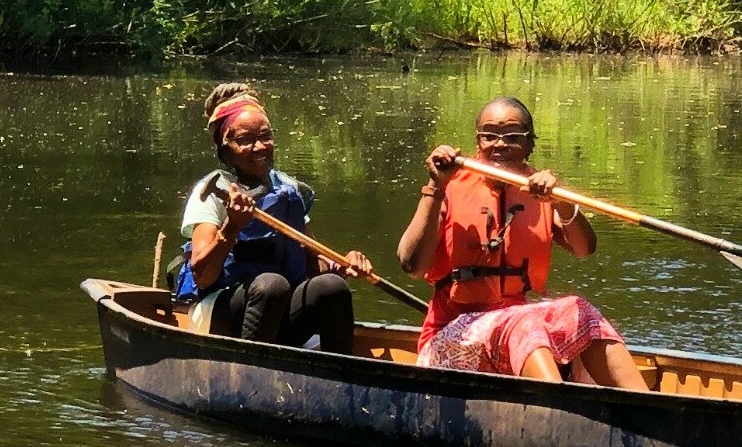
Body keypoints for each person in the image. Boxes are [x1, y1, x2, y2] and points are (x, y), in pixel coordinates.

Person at [397, 97, 650, 389]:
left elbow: (584, 248)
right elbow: (411, 264)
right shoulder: (451, 184)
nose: (500, 144)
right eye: (489, 135)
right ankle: (561, 413)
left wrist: (562, 202)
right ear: (478, 142)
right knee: (522, 324)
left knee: (579, 310)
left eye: (513, 137)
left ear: (530, 144)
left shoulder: (540, 191)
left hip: (515, 327)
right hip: (449, 341)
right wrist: (436, 187)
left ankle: (647, 408)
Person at [175, 83, 373, 347]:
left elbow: (315, 266)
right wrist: (231, 228)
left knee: (330, 288)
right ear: (224, 149)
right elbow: (203, 275)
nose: (259, 147)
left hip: (276, 312)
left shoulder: (288, 190)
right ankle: (249, 376)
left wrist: (342, 265)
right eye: (245, 140)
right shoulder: (213, 192)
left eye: (265, 136)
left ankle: (341, 378)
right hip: (220, 314)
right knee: (272, 285)